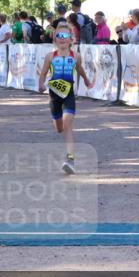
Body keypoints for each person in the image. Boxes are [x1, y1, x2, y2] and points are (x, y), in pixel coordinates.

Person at [37, 21, 93, 175]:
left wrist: (87, 81)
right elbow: (43, 73)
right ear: (55, 39)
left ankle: (70, 159)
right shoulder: (50, 57)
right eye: (59, 36)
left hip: (68, 95)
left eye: (65, 35)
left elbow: (80, 69)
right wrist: (41, 84)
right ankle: (59, 123)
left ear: (71, 39)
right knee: (59, 128)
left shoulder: (76, 56)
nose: (62, 38)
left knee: (68, 124)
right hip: (54, 97)